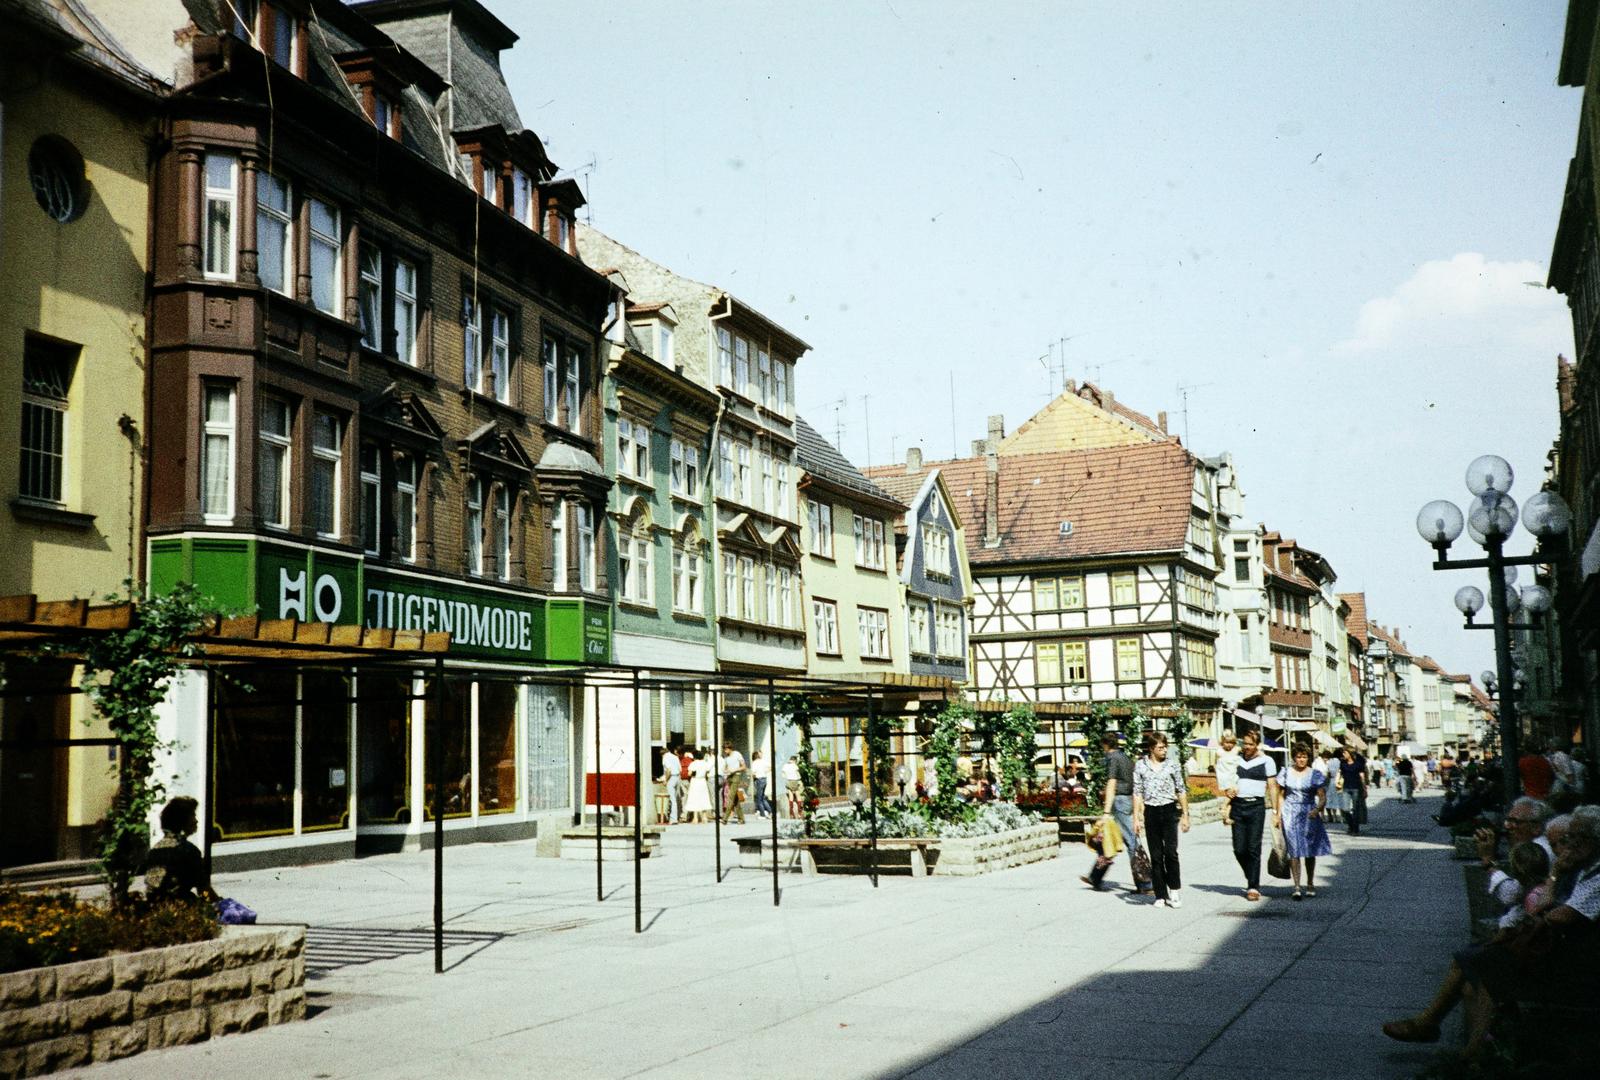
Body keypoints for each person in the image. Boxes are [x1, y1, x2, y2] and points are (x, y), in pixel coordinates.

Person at [1382, 805, 1600, 1051]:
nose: (1508, 826)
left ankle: (1451, 1040)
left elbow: (1550, 912)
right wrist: (1554, 879)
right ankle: (1464, 1046)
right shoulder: (1575, 865)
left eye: (1579, 837)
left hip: (1569, 959)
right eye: (1569, 837)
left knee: (1478, 964)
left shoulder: (1569, 864)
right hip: (1549, 947)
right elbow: (1544, 906)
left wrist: (1491, 863)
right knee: (1473, 974)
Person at [1133, 731, 1190, 908]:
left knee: (1171, 852)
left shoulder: (1172, 765)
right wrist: (1136, 818)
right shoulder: (1141, 766)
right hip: (1151, 811)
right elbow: (1137, 792)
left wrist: (1185, 815)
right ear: (1151, 749)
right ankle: (1160, 894)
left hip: (1169, 809)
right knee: (1156, 855)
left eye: (1165, 747)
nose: (1164, 750)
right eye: (1160, 748)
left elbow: (1181, 789)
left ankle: (1174, 890)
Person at [1084, 732, 1145, 893]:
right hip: (1128, 799)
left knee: (1131, 841)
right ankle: (1096, 876)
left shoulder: (1112, 759)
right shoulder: (1125, 757)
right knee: (1109, 838)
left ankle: (1145, 882)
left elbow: (1112, 783)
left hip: (1119, 801)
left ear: (1105, 745)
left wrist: (1106, 812)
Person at [1274, 742, 1332, 900]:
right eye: (1298, 757)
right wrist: (1278, 814)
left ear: (1308, 758)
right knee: (1294, 850)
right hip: (1290, 813)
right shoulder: (1286, 772)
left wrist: (1317, 809)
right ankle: (1297, 886)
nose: (1301, 760)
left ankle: (1310, 882)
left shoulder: (1314, 774)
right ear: (1294, 758)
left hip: (1308, 813)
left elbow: (1322, 796)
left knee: (1308, 850)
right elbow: (1280, 795)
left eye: (1304, 757)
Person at [1230, 730, 1277, 902]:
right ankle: (1251, 874)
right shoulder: (1236, 760)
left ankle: (1253, 886)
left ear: (1257, 745)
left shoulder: (1267, 761)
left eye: (1251, 744)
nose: (1247, 747)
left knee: (1253, 848)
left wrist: (1275, 811)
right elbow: (1228, 781)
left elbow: (1272, 786)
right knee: (1239, 849)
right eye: (1245, 743)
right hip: (1238, 806)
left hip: (1256, 806)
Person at [143, 796, 215, 903]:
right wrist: (218, 902)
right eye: (193, 816)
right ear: (182, 821)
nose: (196, 821)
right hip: (180, 907)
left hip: (154, 906)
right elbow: (203, 889)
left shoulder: (155, 849)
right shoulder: (188, 850)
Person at [1339, 745, 1368, 836]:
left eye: (1345, 752)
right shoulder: (1343, 763)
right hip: (1346, 788)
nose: (1343, 754)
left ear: (1350, 753)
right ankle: (1351, 825)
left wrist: (1364, 789)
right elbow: (1340, 774)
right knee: (1345, 809)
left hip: (1356, 788)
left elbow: (1362, 777)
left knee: (1356, 809)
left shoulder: (1358, 764)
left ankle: (1355, 829)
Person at [1215, 730, 1241, 828]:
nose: (1229, 745)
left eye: (1232, 743)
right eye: (1227, 742)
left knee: (1232, 797)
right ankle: (1223, 806)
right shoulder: (1220, 752)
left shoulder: (1236, 749)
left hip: (1233, 774)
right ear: (1222, 742)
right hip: (1226, 775)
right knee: (1232, 793)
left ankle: (1226, 817)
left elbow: (1242, 747)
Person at [683, 750, 713, 823]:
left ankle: (695, 818)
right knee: (704, 798)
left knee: (694, 798)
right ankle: (704, 817)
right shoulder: (705, 763)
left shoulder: (693, 763)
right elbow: (708, 771)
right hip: (703, 781)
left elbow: (689, 773)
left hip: (695, 781)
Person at [722, 742, 748, 824]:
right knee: (735, 798)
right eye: (724, 749)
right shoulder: (726, 757)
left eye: (726, 749)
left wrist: (734, 770)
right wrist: (725, 771)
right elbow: (726, 767)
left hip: (736, 775)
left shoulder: (737, 754)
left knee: (730, 796)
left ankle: (725, 818)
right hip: (729, 777)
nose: (725, 751)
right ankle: (741, 818)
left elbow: (744, 766)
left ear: (730, 748)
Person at [660, 746, 682, 824]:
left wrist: (665, 780)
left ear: (662, 754)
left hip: (671, 778)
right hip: (677, 777)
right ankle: (677, 816)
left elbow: (669, 770)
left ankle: (673, 819)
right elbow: (680, 769)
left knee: (672, 799)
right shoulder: (675, 757)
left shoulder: (665, 758)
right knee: (676, 799)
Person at [751, 750, 772, 818]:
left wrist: (754, 777)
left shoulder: (754, 763)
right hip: (764, 779)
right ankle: (770, 812)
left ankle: (762, 814)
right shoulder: (763, 761)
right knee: (763, 798)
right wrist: (764, 772)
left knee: (759, 799)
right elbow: (770, 767)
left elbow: (753, 773)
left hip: (759, 780)